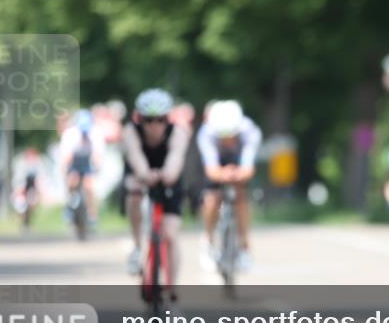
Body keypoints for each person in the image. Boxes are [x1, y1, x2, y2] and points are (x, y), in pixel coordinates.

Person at [121, 88, 190, 277]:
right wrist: (144, 174)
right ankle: (137, 246)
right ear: (140, 119)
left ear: (167, 119)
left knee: (171, 235)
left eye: (160, 120)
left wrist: (168, 174)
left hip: (167, 176)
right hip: (140, 174)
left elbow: (176, 158)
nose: (154, 126)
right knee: (133, 191)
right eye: (148, 120)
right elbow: (135, 156)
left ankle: (172, 292)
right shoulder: (130, 132)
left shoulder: (178, 132)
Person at [196, 100, 261, 272]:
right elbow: (211, 169)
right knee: (211, 199)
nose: (227, 140)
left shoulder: (250, 131)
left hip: (239, 161)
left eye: (230, 135)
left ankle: (245, 247)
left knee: (241, 197)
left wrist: (238, 174)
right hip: (217, 164)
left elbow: (248, 167)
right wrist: (222, 174)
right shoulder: (206, 133)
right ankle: (208, 241)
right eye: (222, 136)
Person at [58, 109, 104, 228]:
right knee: (72, 182)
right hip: (74, 163)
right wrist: (66, 171)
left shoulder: (95, 134)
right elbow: (66, 157)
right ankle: (69, 206)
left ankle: (92, 216)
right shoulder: (70, 135)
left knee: (89, 187)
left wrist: (97, 169)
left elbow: (97, 155)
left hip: (87, 163)